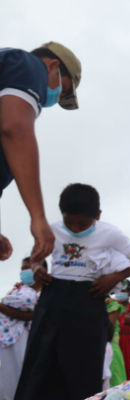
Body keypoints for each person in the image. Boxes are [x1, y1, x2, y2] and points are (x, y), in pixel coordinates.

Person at [15, 183, 130, 400]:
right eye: (70, 222)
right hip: (53, 295)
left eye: (82, 224)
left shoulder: (110, 233)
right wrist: (37, 268)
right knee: (40, 360)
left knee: (84, 365)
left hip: (89, 297)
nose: (75, 229)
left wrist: (113, 278)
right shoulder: (52, 229)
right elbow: (35, 256)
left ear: (97, 215)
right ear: (62, 215)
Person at [0, 42, 82, 262]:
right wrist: (38, 217)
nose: (54, 99)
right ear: (53, 66)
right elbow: (15, 129)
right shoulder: (29, 65)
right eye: (62, 89)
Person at [0, 257, 46, 400]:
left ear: (42, 271)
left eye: (28, 268)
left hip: (20, 339)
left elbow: (29, 313)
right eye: (22, 269)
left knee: (14, 378)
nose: (24, 272)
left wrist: (2, 306)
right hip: (8, 338)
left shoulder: (43, 294)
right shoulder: (20, 289)